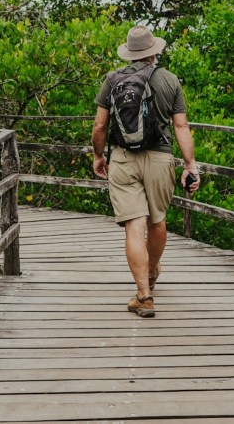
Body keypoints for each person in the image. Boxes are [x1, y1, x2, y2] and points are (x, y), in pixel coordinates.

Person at [92, 25, 200, 318]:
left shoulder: (112, 79)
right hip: (160, 159)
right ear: (154, 52)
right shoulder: (170, 80)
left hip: (123, 159)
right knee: (157, 220)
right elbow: (181, 126)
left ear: (129, 54)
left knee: (133, 226)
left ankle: (144, 295)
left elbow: (100, 126)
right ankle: (152, 271)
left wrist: (99, 156)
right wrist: (190, 165)